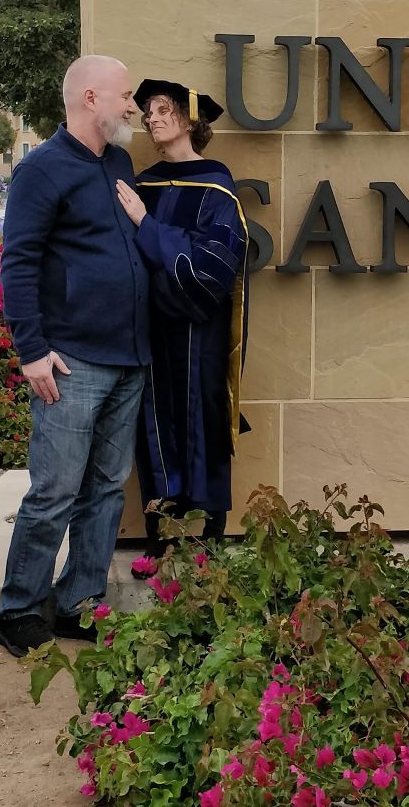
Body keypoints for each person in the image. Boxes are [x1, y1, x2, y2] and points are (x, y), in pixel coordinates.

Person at [0, 56, 150, 657]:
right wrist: (32, 351)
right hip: (70, 362)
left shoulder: (119, 161)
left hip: (129, 358)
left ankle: (79, 601)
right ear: (91, 97)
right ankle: (19, 608)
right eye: (126, 95)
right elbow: (19, 263)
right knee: (54, 490)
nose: (132, 106)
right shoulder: (42, 170)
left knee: (107, 489)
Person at [116, 79, 250, 559]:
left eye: (163, 109)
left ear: (191, 119)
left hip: (199, 335)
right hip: (149, 332)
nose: (151, 118)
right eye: (148, 111)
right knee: (153, 426)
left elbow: (210, 272)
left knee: (202, 427)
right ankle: (159, 539)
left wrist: (147, 228)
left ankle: (208, 541)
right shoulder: (142, 184)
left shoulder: (218, 188)